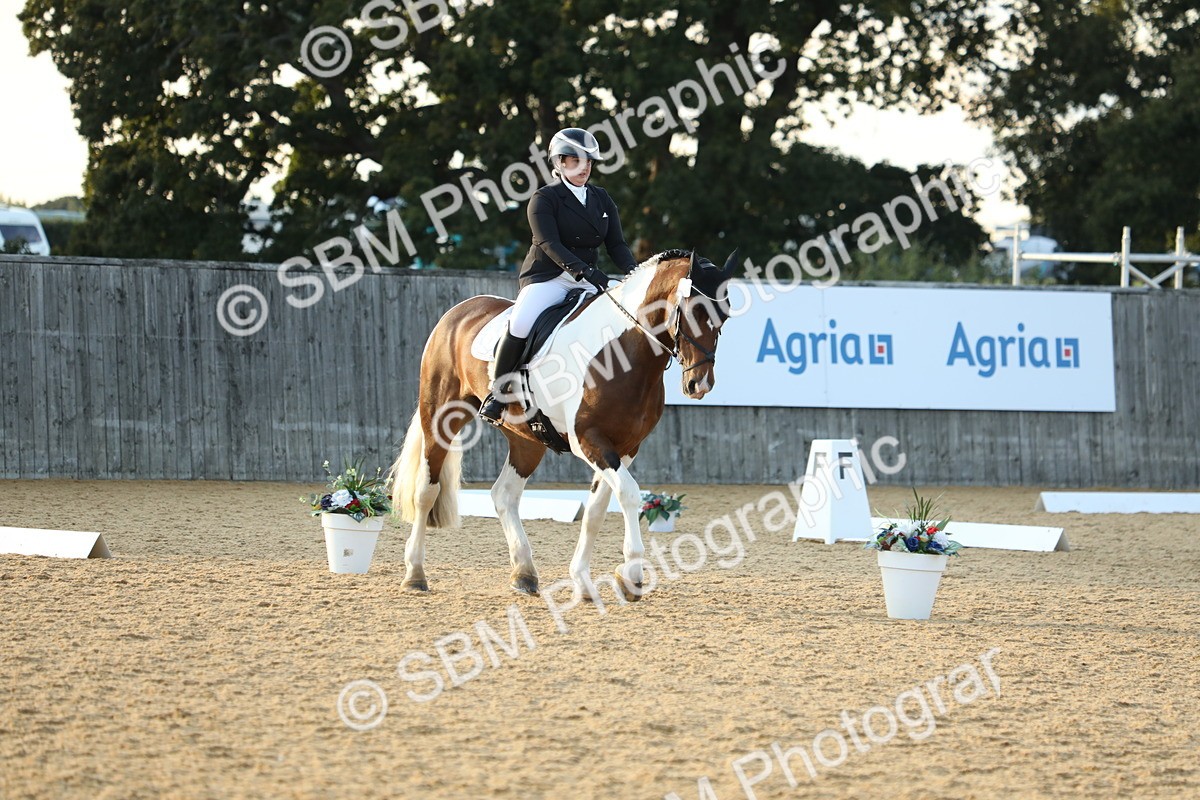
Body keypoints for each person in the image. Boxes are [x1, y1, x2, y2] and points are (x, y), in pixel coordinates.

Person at [478, 127, 638, 426]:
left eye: (589, 161)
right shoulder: (544, 198)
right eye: (577, 161)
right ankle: (498, 395)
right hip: (549, 276)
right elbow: (548, 243)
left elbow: (616, 245)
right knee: (521, 321)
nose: (585, 167)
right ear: (560, 162)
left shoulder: (602, 199)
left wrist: (636, 275)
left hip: (590, 278)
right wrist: (587, 272)